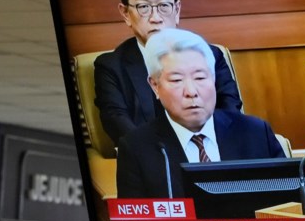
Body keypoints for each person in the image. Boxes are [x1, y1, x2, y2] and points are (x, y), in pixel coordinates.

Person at [116, 28, 285, 198]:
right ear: (155, 86)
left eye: (200, 78)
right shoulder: (136, 149)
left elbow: (291, 204)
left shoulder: (255, 133)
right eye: (176, 80)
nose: (191, 91)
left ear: (213, 79)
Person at [94, 0, 242, 145]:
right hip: (153, 162)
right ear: (125, 13)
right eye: (143, 7)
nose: (156, 18)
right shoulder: (111, 66)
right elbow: (117, 123)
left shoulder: (209, 54)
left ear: (177, 9)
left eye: (163, 6)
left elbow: (230, 111)